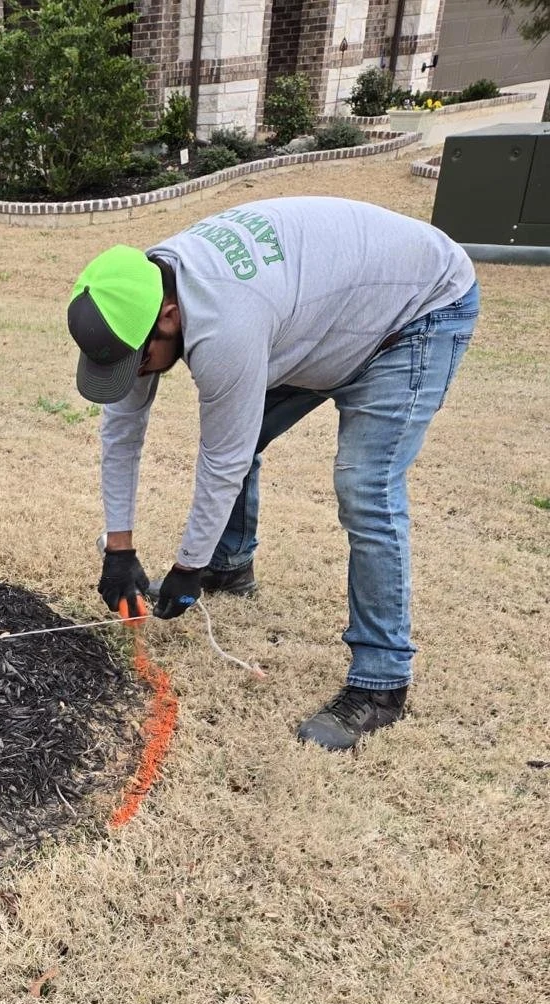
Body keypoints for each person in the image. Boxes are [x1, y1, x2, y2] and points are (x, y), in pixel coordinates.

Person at [66, 197, 478, 750]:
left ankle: (382, 683)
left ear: (169, 317)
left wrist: (186, 566)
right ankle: (229, 566)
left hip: (416, 310)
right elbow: (122, 434)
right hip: (321, 317)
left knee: (366, 487)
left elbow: (224, 458)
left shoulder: (226, 325)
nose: (134, 374)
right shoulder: (138, 295)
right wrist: (119, 550)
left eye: (136, 362)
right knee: (245, 428)